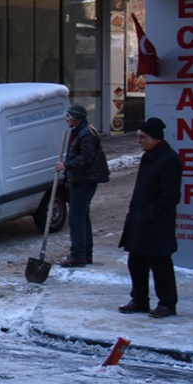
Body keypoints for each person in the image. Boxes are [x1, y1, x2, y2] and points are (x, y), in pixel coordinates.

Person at [118, 116, 183, 318]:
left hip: (156, 224)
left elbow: (170, 195)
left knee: (160, 263)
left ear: (155, 139)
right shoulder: (149, 156)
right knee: (136, 262)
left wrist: (152, 213)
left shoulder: (169, 159)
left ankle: (167, 303)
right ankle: (139, 300)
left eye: (142, 137)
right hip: (140, 221)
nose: (139, 141)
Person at [56, 104, 109, 267]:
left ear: (76, 118)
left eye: (69, 117)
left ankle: (78, 255)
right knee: (82, 216)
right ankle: (85, 254)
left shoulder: (87, 134)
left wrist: (66, 165)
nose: (66, 119)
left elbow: (86, 158)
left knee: (77, 217)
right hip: (82, 179)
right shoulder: (82, 131)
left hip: (86, 179)